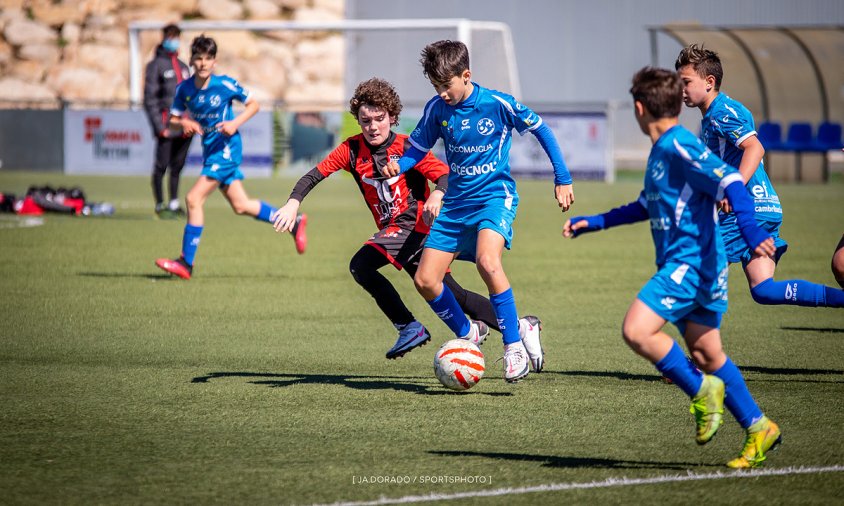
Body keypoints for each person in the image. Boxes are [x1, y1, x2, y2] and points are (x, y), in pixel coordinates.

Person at [564, 67, 781, 469]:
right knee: (707, 351)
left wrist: (750, 230)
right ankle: (758, 427)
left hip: (691, 264)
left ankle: (701, 392)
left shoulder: (678, 145)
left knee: (636, 329)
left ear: (639, 108)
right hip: (696, 265)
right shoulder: (664, 148)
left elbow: (732, 178)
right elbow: (646, 205)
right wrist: (593, 222)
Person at [271, 78, 543, 361]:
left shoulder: (408, 148)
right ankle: (520, 328)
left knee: (361, 265)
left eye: (379, 119)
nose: (373, 126)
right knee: (454, 294)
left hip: (416, 225)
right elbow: (316, 174)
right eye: (365, 120)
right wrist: (293, 202)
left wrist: (438, 195)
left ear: (392, 117)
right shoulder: (351, 150)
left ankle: (409, 326)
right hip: (395, 232)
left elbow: (445, 176)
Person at [380, 40, 574, 382]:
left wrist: (562, 177)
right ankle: (471, 333)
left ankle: (513, 346)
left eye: (446, 85)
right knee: (425, 280)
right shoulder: (437, 109)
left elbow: (541, 129)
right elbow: (417, 149)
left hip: (493, 198)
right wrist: (398, 165)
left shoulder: (497, 103)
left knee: (488, 261)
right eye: (436, 87)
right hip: (455, 205)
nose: (442, 93)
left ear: (466, 75)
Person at [675, 44, 844, 308]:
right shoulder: (713, 117)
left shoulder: (722, 112)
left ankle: (702, 350)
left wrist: (735, 188)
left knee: (693, 266)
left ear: (709, 82)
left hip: (747, 210)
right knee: (764, 290)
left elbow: (755, 147)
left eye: (686, 82)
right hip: (764, 208)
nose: (680, 89)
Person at [154, 35, 307, 280]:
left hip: (226, 151)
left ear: (214, 62)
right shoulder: (184, 89)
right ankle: (294, 223)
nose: (203, 63)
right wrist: (184, 123)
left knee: (193, 199)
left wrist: (235, 123)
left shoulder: (223, 84)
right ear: (192, 60)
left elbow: (254, 104)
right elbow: (171, 121)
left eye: (208, 59)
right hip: (210, 151)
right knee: (241, 206)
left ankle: (186, 263)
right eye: (199, 58)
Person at [143, 23, 193, 219]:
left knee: (177, 166)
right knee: (161, 166)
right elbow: (150, 99)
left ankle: (173, 203)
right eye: (170, 37)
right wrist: (159, 126)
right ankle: (159, 204)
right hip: (166, 125)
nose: (173, 41)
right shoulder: (155, 65)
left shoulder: (183, 66)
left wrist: (192, 120)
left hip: (185, 128)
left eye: (176, 37)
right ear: (163, 38)